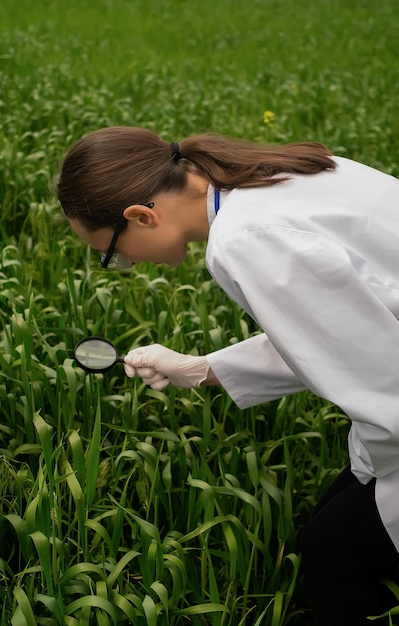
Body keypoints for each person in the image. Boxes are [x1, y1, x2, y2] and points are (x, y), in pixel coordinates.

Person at [57, 126, 399, 625]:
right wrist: (200, 370)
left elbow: (383, 389)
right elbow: (340, 329)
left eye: (112, 253)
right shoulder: (273, 176)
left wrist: (377, 470)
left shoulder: (244, 240)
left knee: (334, 557)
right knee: (330, 525)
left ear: (140, 216)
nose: (125, 263)